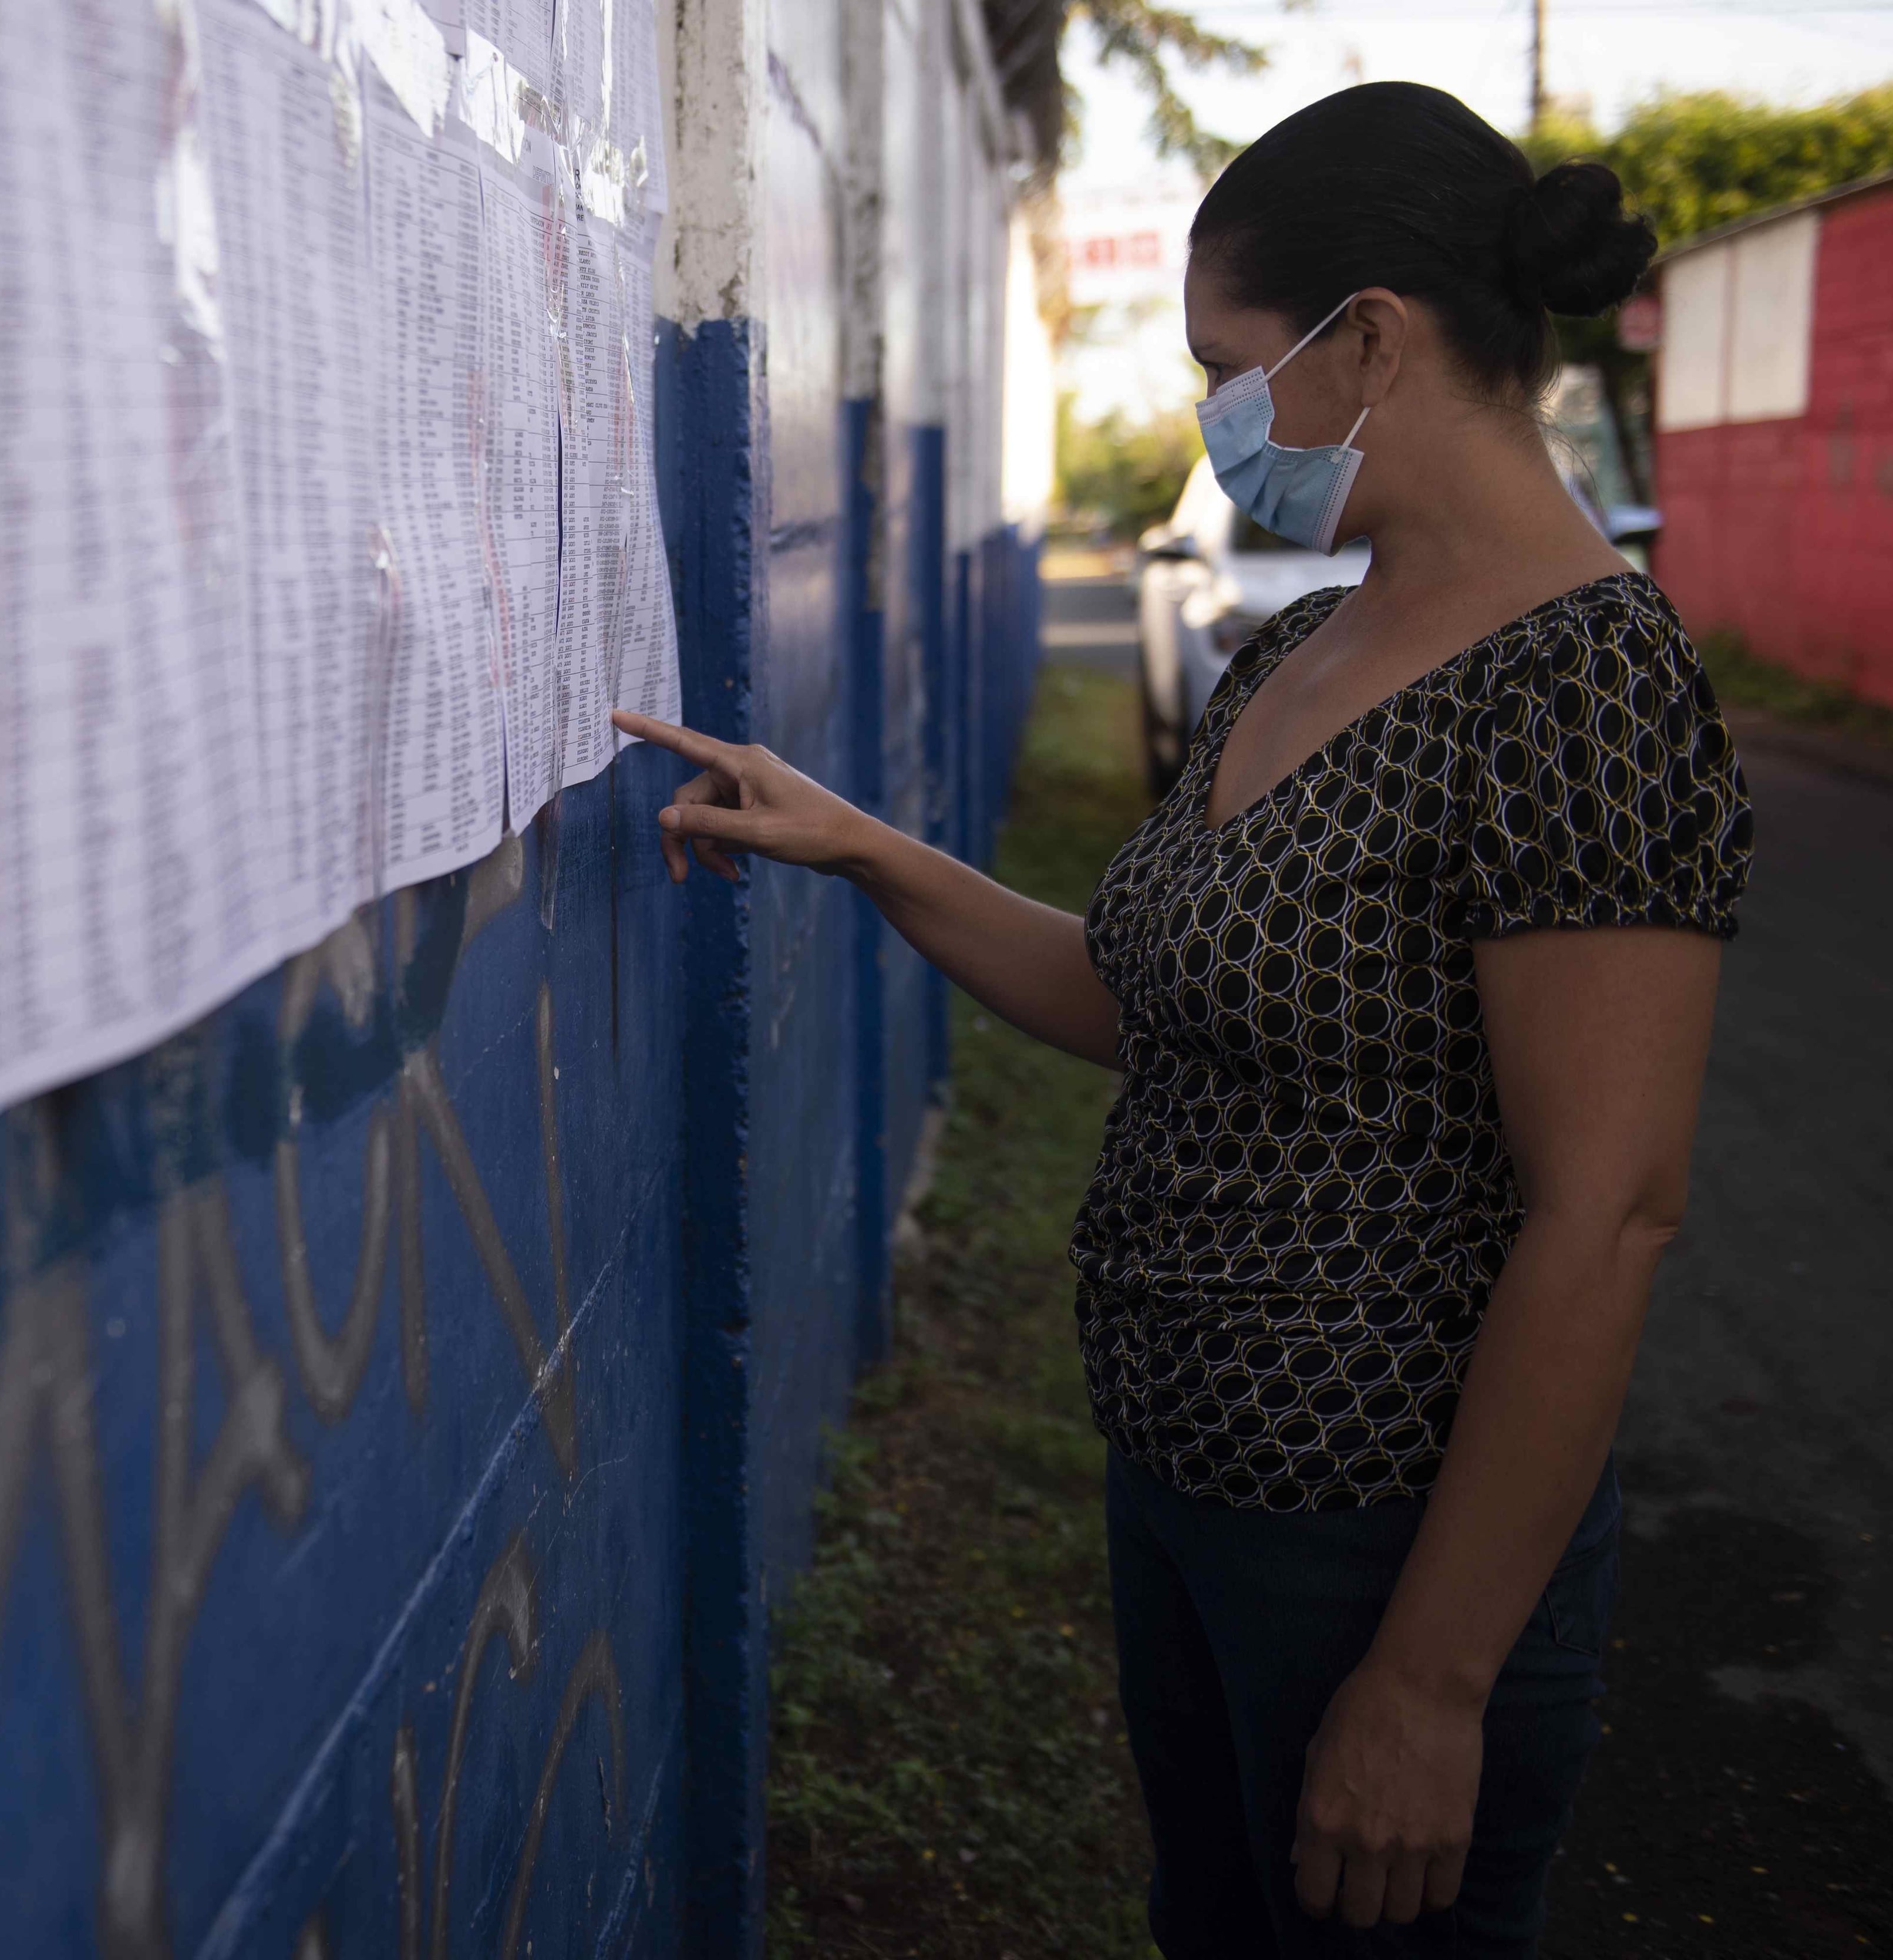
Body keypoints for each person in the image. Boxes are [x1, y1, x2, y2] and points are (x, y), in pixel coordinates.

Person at [615, 80, 1752, 1958]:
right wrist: (852, 846)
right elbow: (1159, 1002)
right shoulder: (1306, 643)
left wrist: (1435, 1682)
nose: (1215, 416)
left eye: (1230, 363)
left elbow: (1608, 1211)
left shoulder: (1586, 688)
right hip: (1189, 1503)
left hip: (1384, 1550)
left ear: (1372, 337)